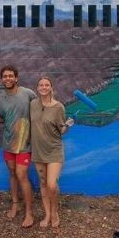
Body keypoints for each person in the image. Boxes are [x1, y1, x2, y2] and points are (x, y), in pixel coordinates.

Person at [0, 65, 37, 228]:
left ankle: (29, 212)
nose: (8, 78)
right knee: (12, 173)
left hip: (25, 143)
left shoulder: (28, 94)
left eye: (11, 76)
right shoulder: (0, 99)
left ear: (16, 78)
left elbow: (39, 111)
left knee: (21, 174)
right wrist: (5, 122)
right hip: (8, 143)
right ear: (1, 79)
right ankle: (15, 204)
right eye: (5, 76)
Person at [30, 76, 73, 228]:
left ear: (51, 87)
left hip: (54, 149)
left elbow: (61, 130)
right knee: (42, 183)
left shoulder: (58, 107)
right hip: (38, 150)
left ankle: (54, 212)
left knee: (51, 185)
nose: (43, 87)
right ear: (37, 88)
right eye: (41, 85)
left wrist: (67, 125)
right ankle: (47, 214)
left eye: (46, 85)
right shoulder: (33, 105)